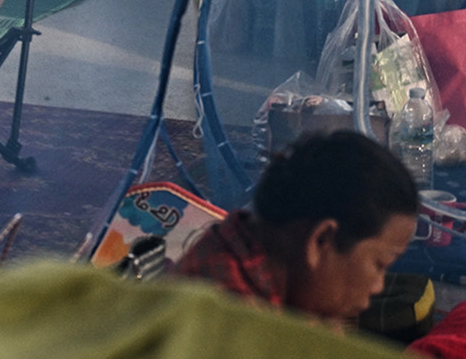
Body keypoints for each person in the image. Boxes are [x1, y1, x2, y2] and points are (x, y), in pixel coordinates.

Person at [175, 130, 418, 324]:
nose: (378, 287)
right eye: (380, 264)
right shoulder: (233, 326)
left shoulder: (238, 240)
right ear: (321, 240)